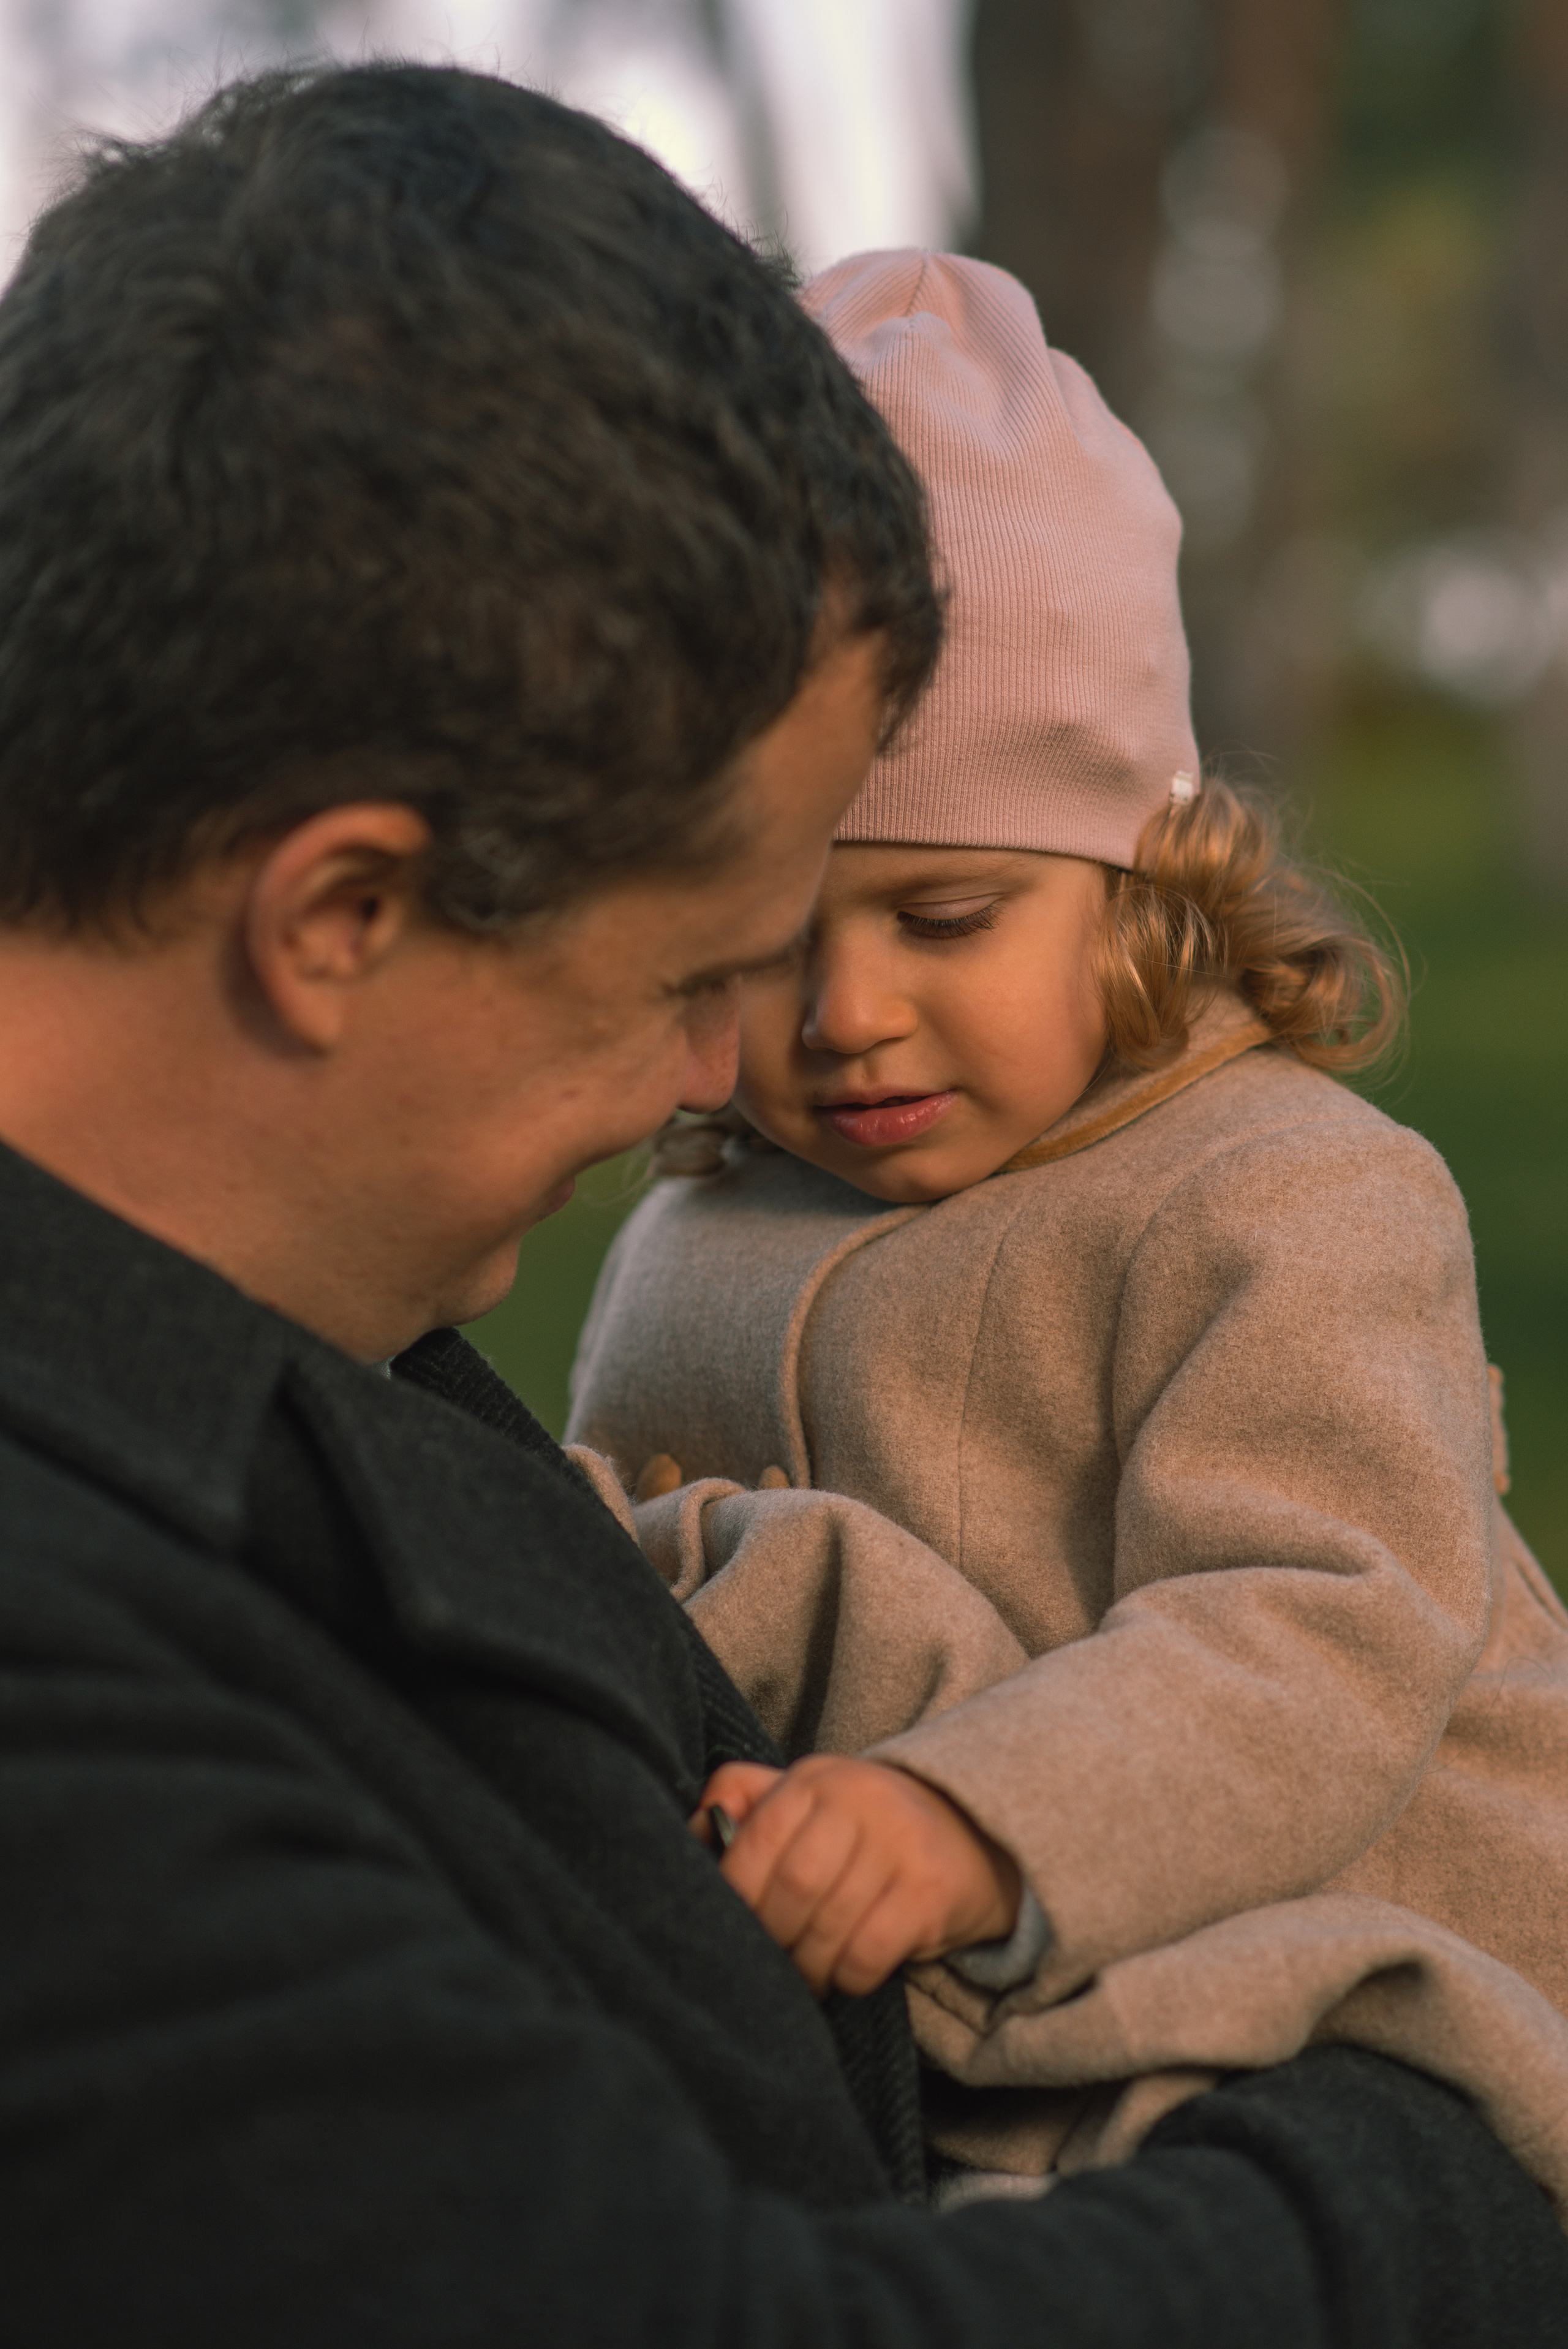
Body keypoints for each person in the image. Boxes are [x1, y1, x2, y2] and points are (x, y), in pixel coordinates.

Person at [0, 64, 1564, 2349]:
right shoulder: (83, 1714)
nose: (731, 1073)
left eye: (926, 913)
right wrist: (1417, 2175)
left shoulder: (267, 1316)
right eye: (694, 970)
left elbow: (1319, 1610)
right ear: (340, 911)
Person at [567, 251, 1568, 2205]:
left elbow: (1317, 1620)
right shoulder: (690, 1233)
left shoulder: (1286, 1195)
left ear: (1145, 879)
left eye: (948, 919)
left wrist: (976, 1816)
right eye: (769, 940)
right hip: (926, 1998)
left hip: (1342, 1965)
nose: (846, 1015)